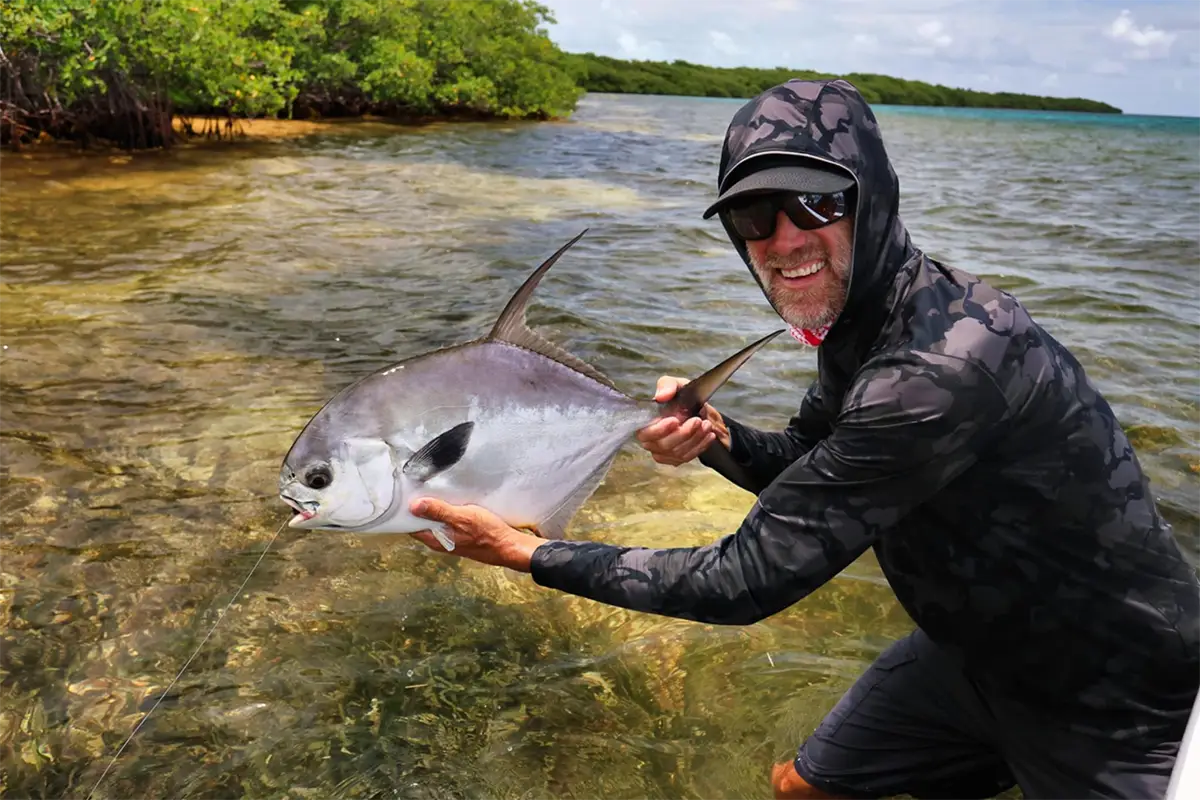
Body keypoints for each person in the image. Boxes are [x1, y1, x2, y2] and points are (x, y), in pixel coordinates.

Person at [407, 79, 1200, 799]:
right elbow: (815, 468)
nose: (783, 241)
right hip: (971, 652)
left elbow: (743, 583)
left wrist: (526, 554)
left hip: (1105, 689)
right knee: (801, 791)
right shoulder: (862, 322)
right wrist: (715, 438)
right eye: (754, 217)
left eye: (816, 205)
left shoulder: (940, 366)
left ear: (873, 198)